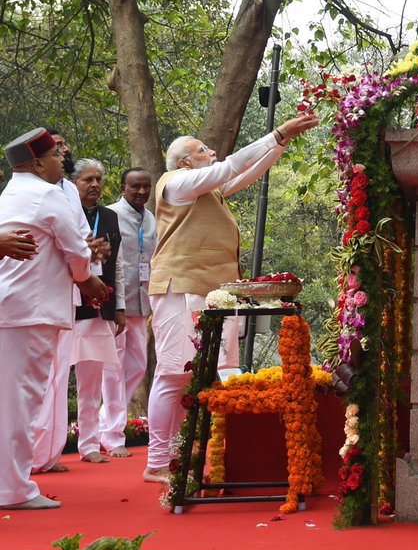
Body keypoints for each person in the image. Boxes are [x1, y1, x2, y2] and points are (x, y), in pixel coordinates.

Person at [143, 113, 318, 483]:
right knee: (173, 374)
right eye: (204, 150)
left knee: (204, 374)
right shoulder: (175, 184)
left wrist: (279, 145)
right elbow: (230, 167)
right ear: (185, 162)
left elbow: (245, 173)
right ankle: (157, 462)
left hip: (208, 292)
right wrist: (277, 132)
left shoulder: (207, 191)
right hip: (180, 289)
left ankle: (182, 454)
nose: (212, 153)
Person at [0, 129, 107, 509]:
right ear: (35, 163)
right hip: (32, 312)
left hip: (13, 308)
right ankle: (13, 489)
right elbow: (77, 254)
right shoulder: (48, 194)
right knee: (22, 402)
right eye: (54, 155)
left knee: (9, 400)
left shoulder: (10, 194)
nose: (62, 160)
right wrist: (88, 279)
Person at [31, 129, 109, 476]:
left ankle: (48, 453)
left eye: (64, 147)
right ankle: (28, 457)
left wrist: (91, 256)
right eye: (56, 148)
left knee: (58, 377)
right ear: (38, 159)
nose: (62, 152)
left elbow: (81, 239)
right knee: (33, 380)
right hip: (33, 296)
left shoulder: (66, 193)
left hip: (67, 294)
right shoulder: (30, 192)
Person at [70, 159, 125, 464]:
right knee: (50, 383)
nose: (94, 185)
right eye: (86, 179)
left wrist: (119, 308)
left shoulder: (109, 217)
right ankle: (43, 451)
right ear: (73, 183)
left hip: (98, 308)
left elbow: (117, 264)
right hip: (65, 306)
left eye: (98, 179)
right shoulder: (64, 213)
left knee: (91, 381)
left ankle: (89, 445)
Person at [98, 167, 155, 458]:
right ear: (122, 189)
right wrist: (112, 304)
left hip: (142, 304)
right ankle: (112, 435)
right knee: (113, 368)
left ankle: (103, 420)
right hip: (116, 305)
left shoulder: (151, 218)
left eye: (146, 186)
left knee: (137, 366)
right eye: (135, 187)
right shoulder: (110, 215)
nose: (142, 192)